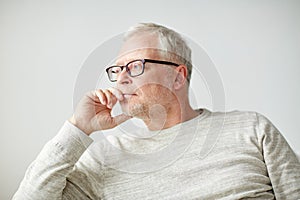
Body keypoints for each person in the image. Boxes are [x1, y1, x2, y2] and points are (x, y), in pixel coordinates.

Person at [13, 23, 300, 199]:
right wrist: (77, 128)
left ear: (178, 76)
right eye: (117, 70)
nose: (121, 78)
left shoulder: (252, 128)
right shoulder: (104, 158)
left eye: (135, 66)